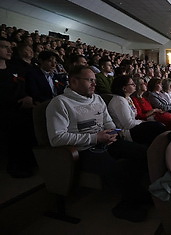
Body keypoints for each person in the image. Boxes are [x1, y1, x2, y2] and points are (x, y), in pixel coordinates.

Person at [46, 65, 150, 222]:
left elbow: (108, 122)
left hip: (106, 141)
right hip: (84, 150)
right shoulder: (60, 103)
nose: (94, 84)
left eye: (94, 80)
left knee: (144, 152)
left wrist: (112, 133)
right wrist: (95, 138)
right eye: (90, 80)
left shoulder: (98, 98)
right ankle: (126, 205)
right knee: (118, 169)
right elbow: (57, 138)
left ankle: (141, 193)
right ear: (73, 81)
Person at [0, 37, 36, 178]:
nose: (10, 50)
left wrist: (29, 98)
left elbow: (22, 88)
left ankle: (27, 162)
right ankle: (14, 166)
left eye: (10, 47)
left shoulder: (14, 69)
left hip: (22, 109)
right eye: (4, 47)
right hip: (6, 111)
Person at [107, 75, 166, 146]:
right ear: (124, 88)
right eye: (132, 84)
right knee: (158, 127)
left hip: (134, 126)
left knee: (158, 126)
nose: (135, 85)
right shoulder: (119, 101)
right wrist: (142, 122)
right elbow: (128, 124)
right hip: (126, 132)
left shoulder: (128, 98)